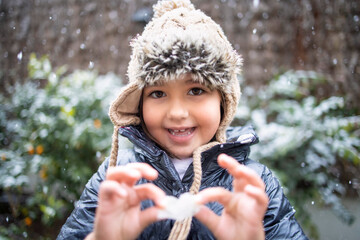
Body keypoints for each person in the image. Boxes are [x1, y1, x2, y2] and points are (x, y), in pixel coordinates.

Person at [57, 0, 309, 239]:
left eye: (196, 91)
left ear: (223, 101)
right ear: (138, 103)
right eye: (158, 93)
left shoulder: (254, 184)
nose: (177, 112)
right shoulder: (116, 179)